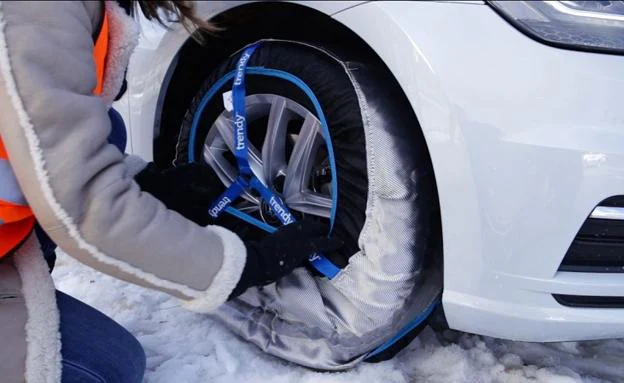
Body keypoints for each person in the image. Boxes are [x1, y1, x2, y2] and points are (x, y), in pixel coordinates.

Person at [0, 1, 342, 382]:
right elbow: (87, 211)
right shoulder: (35, 12)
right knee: (108, 370)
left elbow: (47, 141)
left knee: (107, 128)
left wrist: (147, 186)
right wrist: (242, 266)